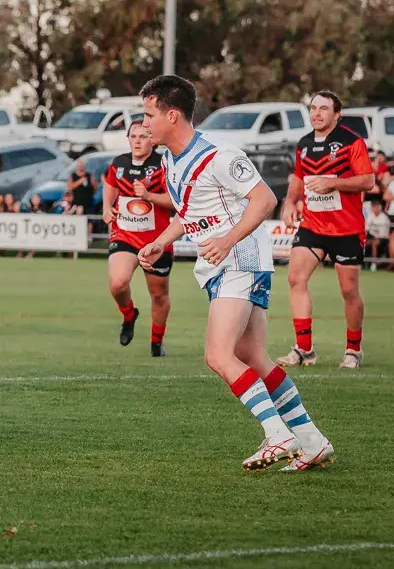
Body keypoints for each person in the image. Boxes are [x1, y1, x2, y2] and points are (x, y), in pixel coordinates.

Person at [136, 75, 332, 471]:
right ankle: (312, 441)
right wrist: (162, 239)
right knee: (252, 355)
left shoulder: (219, 154)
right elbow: (191, 212)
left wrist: (227, 240)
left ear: (172, 116)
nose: (144, 125)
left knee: (218, 354)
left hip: (240, 259)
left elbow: (265, 199)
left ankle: (278, 435)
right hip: (225, 263)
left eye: (149, 115)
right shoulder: (172, 159)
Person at [276, 91, 375, 371]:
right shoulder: (304, 144)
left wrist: (335, 184)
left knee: (349, 291)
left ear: (337, 114)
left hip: (347, 229)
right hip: (313, 226)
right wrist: (290, 202)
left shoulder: (352, 142)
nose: (317, 113)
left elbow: (368, 180)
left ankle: (353, 350)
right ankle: (304, 349)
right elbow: (299, 177)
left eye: (323, 109)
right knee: (296, 279)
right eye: (313, 108)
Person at [102, 119, 174, 356]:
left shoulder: (165, 164)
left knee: (158, 294)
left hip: (157, 240)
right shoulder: (119, 163)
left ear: (152, 139)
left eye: (143, 137)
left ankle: (156, 342)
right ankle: (129, 314)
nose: (137, 141)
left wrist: (150, 196)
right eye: (133, 137)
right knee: (117, 282)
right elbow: (110, 184)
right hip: (125, 234)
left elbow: (175, 201)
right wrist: (106, 206)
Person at [365, 200, 390, 264]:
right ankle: (360, 263)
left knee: (374, 243)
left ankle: (374, 264)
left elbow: (383, 234)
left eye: (376, 207)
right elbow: (366, 229)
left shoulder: (384, 217)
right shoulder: (370, 215)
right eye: (373, 207)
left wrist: (374, 239)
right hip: (371, 237)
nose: (375, 208)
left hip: (383, 238)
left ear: (379, 208)